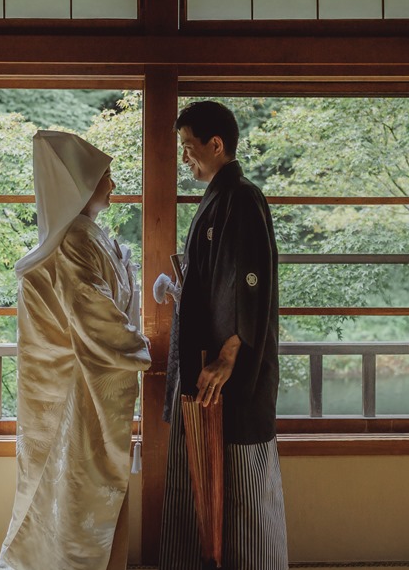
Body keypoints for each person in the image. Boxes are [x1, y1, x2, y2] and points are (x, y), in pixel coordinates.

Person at [0, 130, 151, 570]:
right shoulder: (76, 240)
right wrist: (144, 349)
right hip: (77, 389)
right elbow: (96, 317)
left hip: (81, 383)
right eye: (105, 176)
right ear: (81, 183)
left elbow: (107, 308)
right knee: (79, 492)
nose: (113, 184)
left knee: (80, 491)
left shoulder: (86, 235)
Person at [157, 101, 288, 570]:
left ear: (216, 144)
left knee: (242, 480)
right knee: (201, 476)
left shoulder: (242, 198)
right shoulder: (219, 197)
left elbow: (249, 280)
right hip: (206, 363)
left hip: (232, 370)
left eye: (188, 146)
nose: (184, 157)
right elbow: (214, 282)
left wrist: (231, 352)